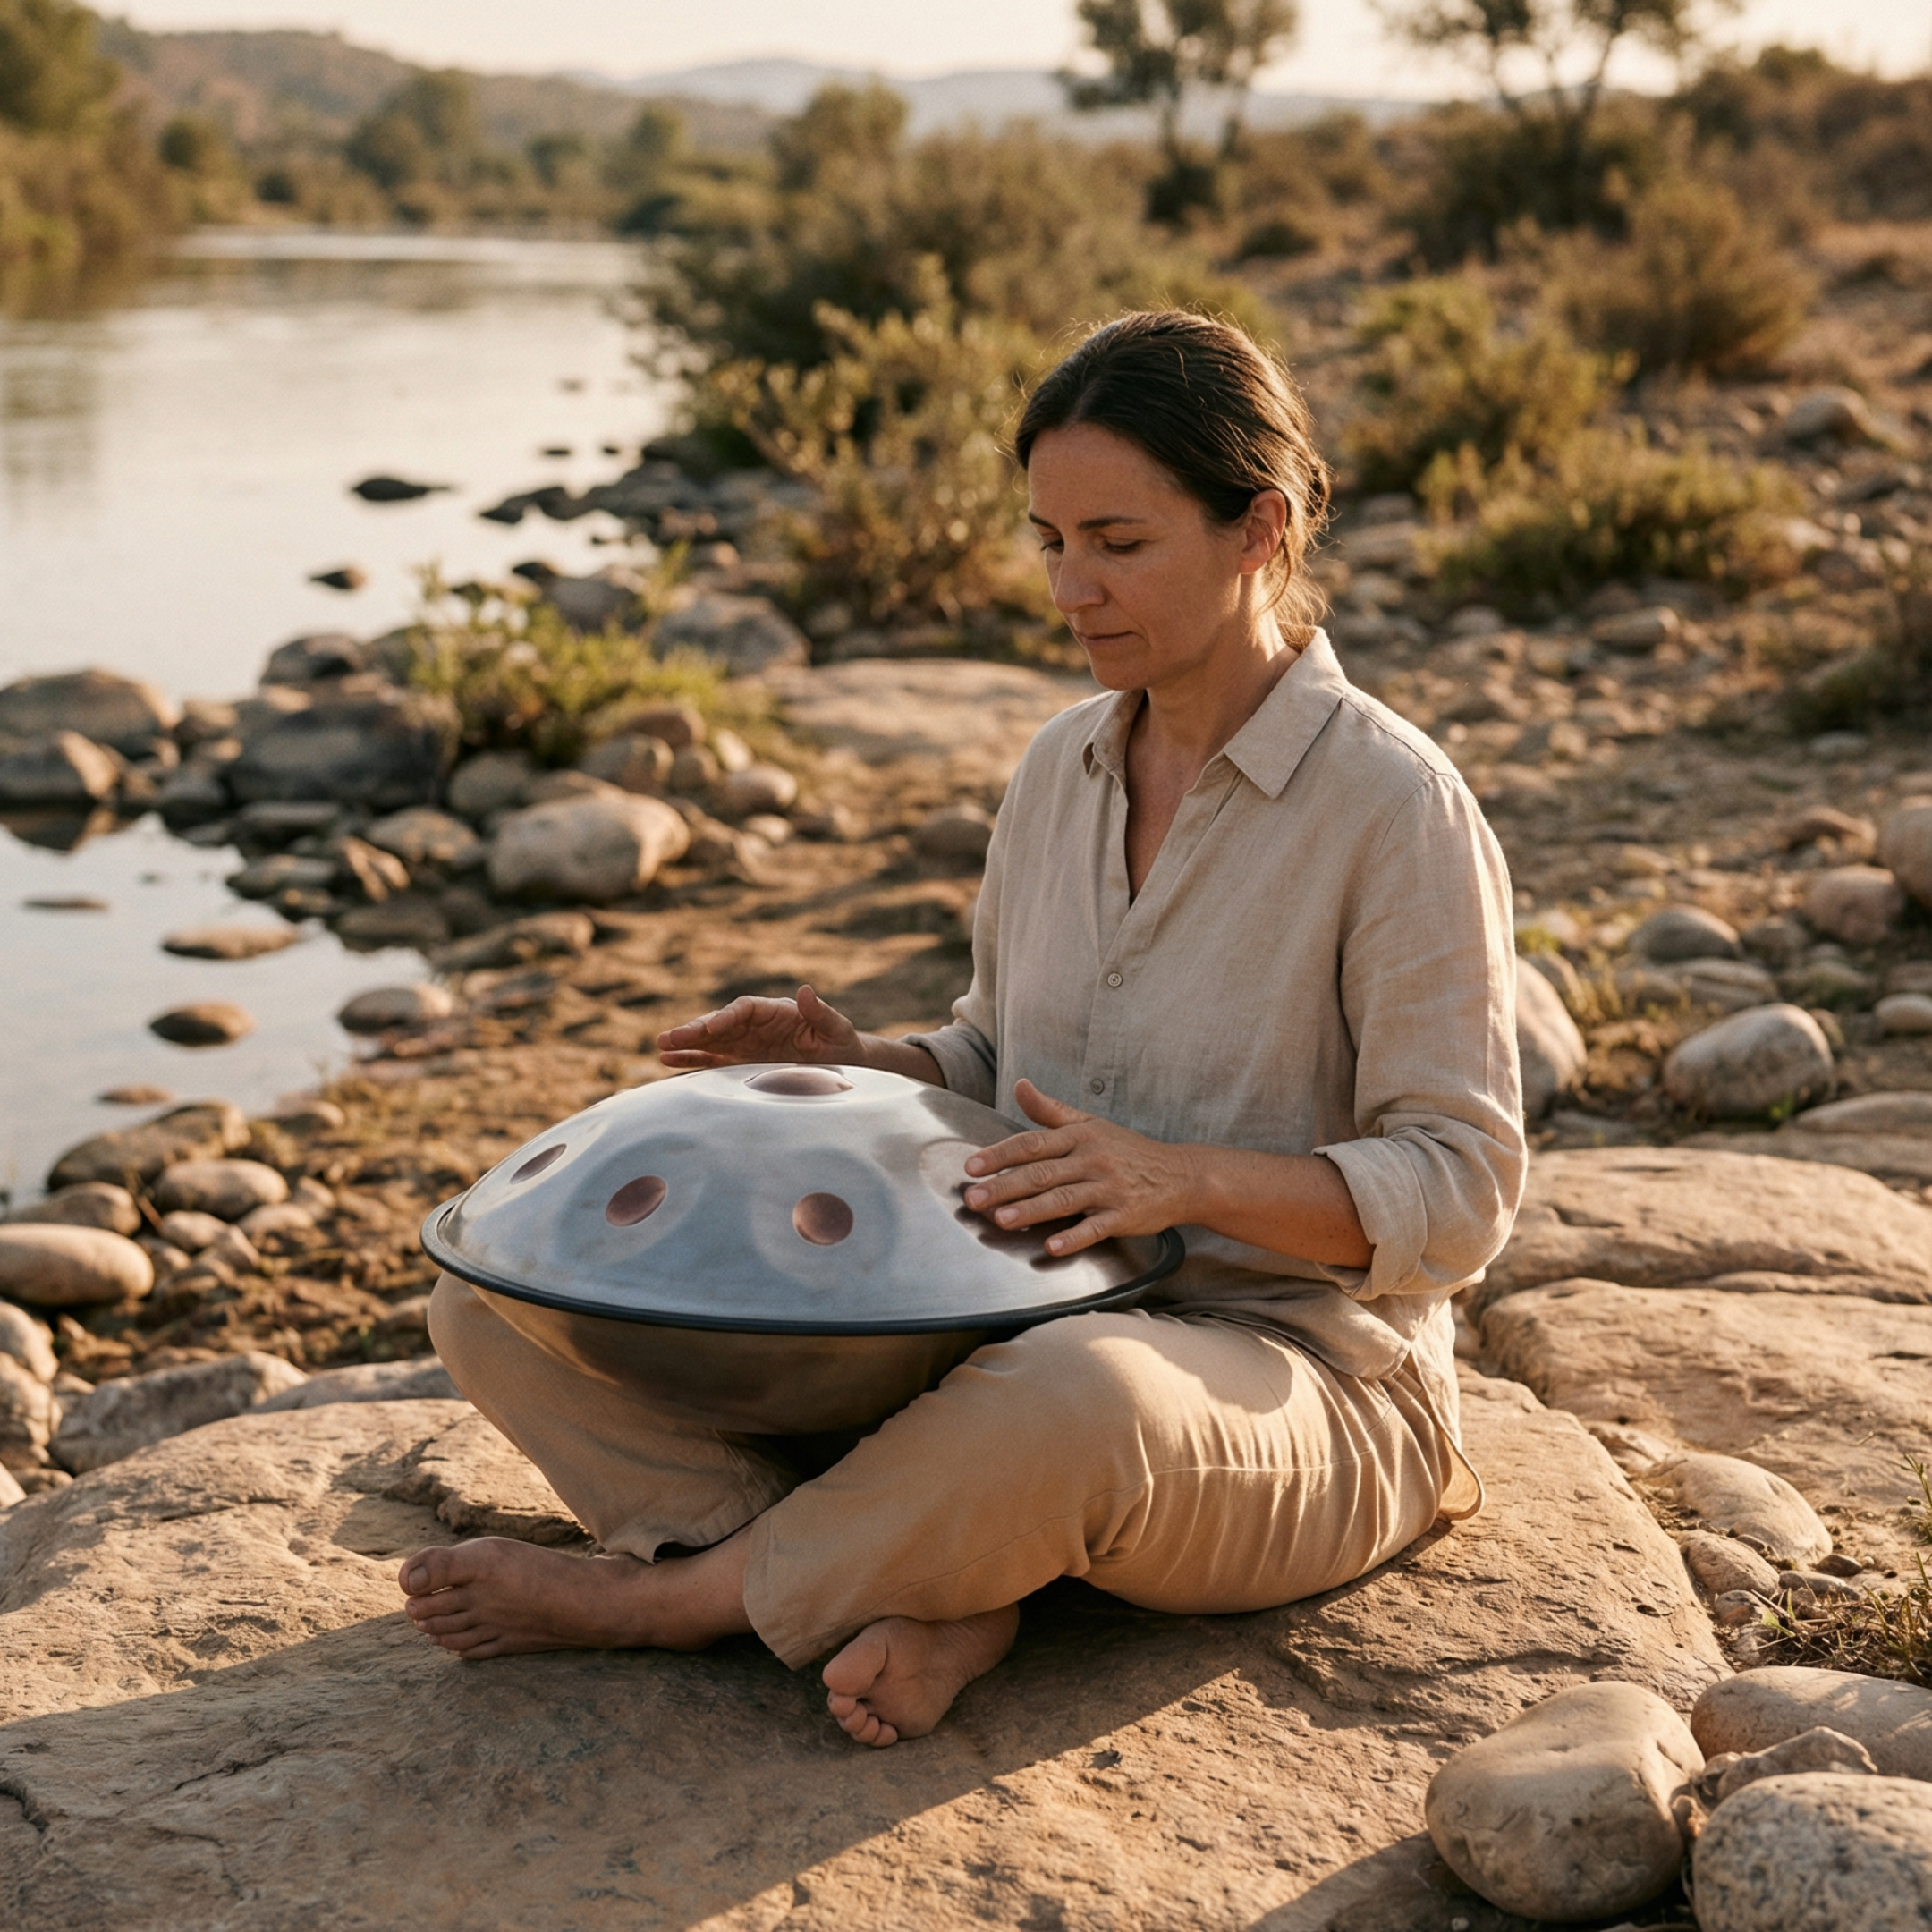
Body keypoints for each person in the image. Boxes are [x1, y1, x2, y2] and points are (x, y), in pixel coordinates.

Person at [398, 309, 1526, 1749]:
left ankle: (674, 1599)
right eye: (1049, 540)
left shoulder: (1395, 806)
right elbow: (996, 1065)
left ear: (1261, 527)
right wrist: (856, 1072)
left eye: (1118, 543)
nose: (1069, 587)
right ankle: (936, 1576)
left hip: (1290, 1378)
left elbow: (1463, 1190)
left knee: (1070, 1395)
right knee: (496, 1301)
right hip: (1005, 1324)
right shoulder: (1063, 766)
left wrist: (1181, 1180)